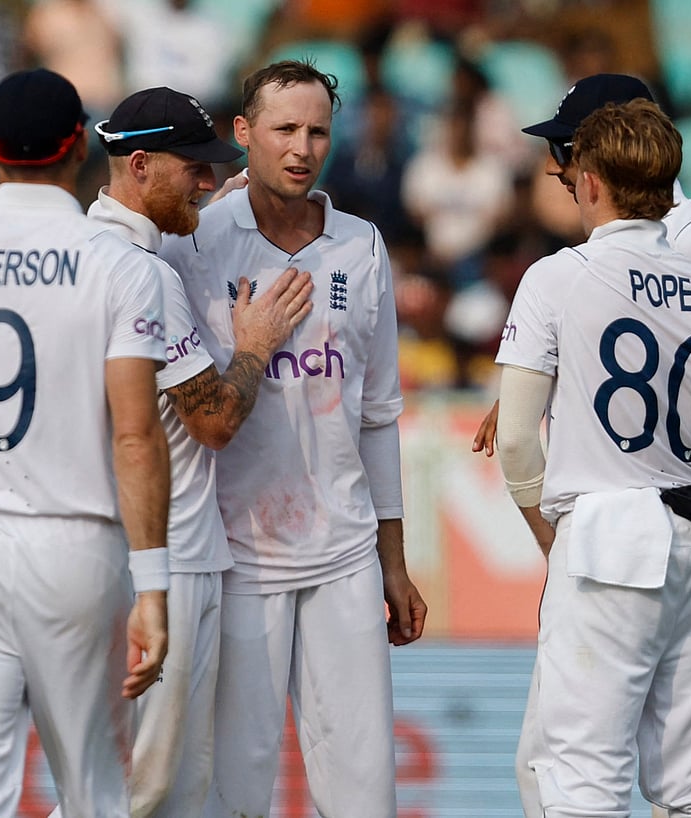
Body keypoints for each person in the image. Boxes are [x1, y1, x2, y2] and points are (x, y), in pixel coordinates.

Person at [0, 69, 171, 816]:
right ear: (79, 147)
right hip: (76, 541)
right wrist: (154, 583)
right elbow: (136, 435)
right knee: (95, 792)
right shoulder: (120, 264)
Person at [159, 59, 428, 818]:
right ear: (242, 134)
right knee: (234, 793)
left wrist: (394, 564)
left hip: (344, 556)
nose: (301, 148)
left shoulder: (361, 244)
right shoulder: (195, 243)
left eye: (316, 131)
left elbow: (377, 414)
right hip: (237, 557)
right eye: (283, 130)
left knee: (362, 796)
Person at [495, 98, 691, 818]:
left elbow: (516, 440)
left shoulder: (558, 276)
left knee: (582, 775)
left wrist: (558, 539)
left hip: (607, 534)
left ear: (588, 182)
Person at [70, 85, 313, 818]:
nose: (209, 182)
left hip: (116, 550)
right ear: (140, 164)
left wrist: (234, 194)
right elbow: (210, 420)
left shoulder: (84, 252)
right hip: (168, 558)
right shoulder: (144, 275)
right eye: (194, 168)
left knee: (170, 790)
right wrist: (256, 346)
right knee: (140, 790)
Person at [472, 72, 691, 459]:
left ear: (618, 145)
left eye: (564, 149)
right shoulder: (612, 244)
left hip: (684, 491)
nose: (553, 168)